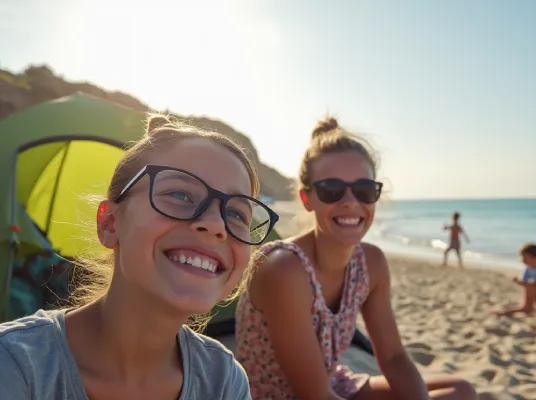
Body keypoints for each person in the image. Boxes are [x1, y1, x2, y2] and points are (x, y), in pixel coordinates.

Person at [0, 114, 279, 399]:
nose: (217, 225)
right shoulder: (15, 366)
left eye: (236, 214)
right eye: (180, 195)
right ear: (110, 223)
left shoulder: (223, 380)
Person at [235, 117, 476, 399]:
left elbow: (394, 356)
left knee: (460, 391)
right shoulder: (284, 268)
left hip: (333, 384)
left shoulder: (371, 263)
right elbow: (315, 396)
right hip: (281, 396)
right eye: (331, 190)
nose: (350, 201)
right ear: (307, 199)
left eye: (364, 190)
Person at [494, 243, 536, 316]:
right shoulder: (527, 270)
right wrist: (517, 281)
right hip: (535, 293)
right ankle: (528, 307)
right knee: (530, 286)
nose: (522, 259)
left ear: (535, 258)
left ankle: (531, 307)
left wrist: (535, 283)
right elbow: (524, 283)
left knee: (532, 285)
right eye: (521, 256)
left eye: (524, 256)